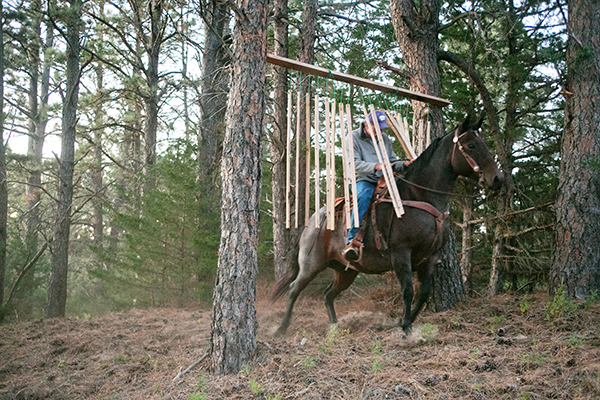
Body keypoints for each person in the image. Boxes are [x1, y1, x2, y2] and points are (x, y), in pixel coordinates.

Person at [343, 110, 411, 262]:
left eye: (382, 128)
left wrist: (405, 164)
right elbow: (353, 164)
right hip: (363, 179)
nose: (381, 131)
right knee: (363, 196)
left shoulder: (384, 138)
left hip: (384, 179)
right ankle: (352, 238)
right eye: (377, 127)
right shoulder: (352, 138)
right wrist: (376, 166)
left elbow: (392, 161)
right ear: (367, 125)